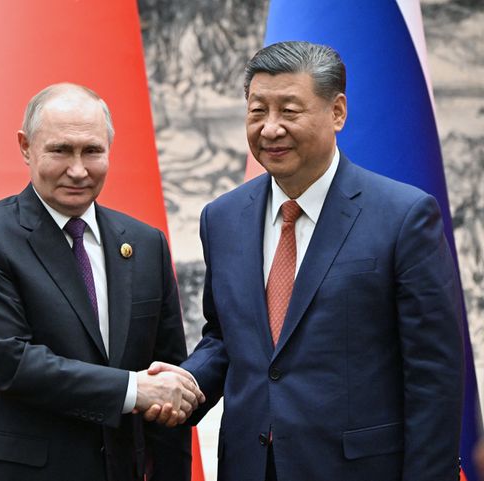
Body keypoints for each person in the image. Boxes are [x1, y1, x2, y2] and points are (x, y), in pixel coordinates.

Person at [147, 41, 464, 481]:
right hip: (250, 466)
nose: (270, 129)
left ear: (337, 112)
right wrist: (187, 383)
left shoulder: (404, 217)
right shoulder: (221, 218)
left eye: (289, 112)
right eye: (258, 111)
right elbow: (227, 336)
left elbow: (434, 374)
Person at [0, 83, 203, 481]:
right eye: (61, 150)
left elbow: (164, 375)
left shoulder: (146, 244)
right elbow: (10, 363)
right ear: (26, 147)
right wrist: (133, 390)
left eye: (92, 151)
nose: (79, 169)